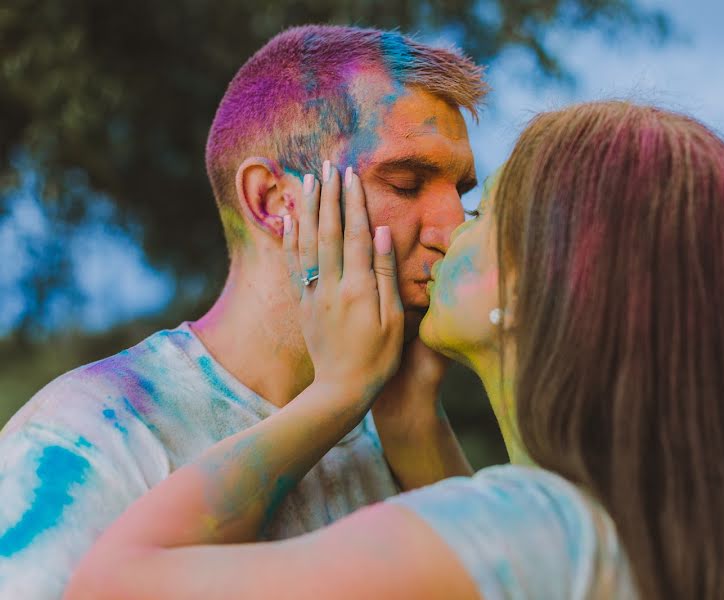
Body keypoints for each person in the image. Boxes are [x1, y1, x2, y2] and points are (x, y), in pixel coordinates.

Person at [66, 101, 724, 600]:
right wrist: (408, 424)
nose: (447, 229)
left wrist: (335, 395)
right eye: (413, 187)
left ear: (546, 281)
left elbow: (112, 583)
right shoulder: (688, 534)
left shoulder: (531, 528)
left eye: (484, 209)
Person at [0, 25, 486, 599]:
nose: (454, 230)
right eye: (406, 184)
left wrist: (413, 421)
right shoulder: (87, 439)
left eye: (464, 193)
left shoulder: (403, 432)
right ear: (273, 202)